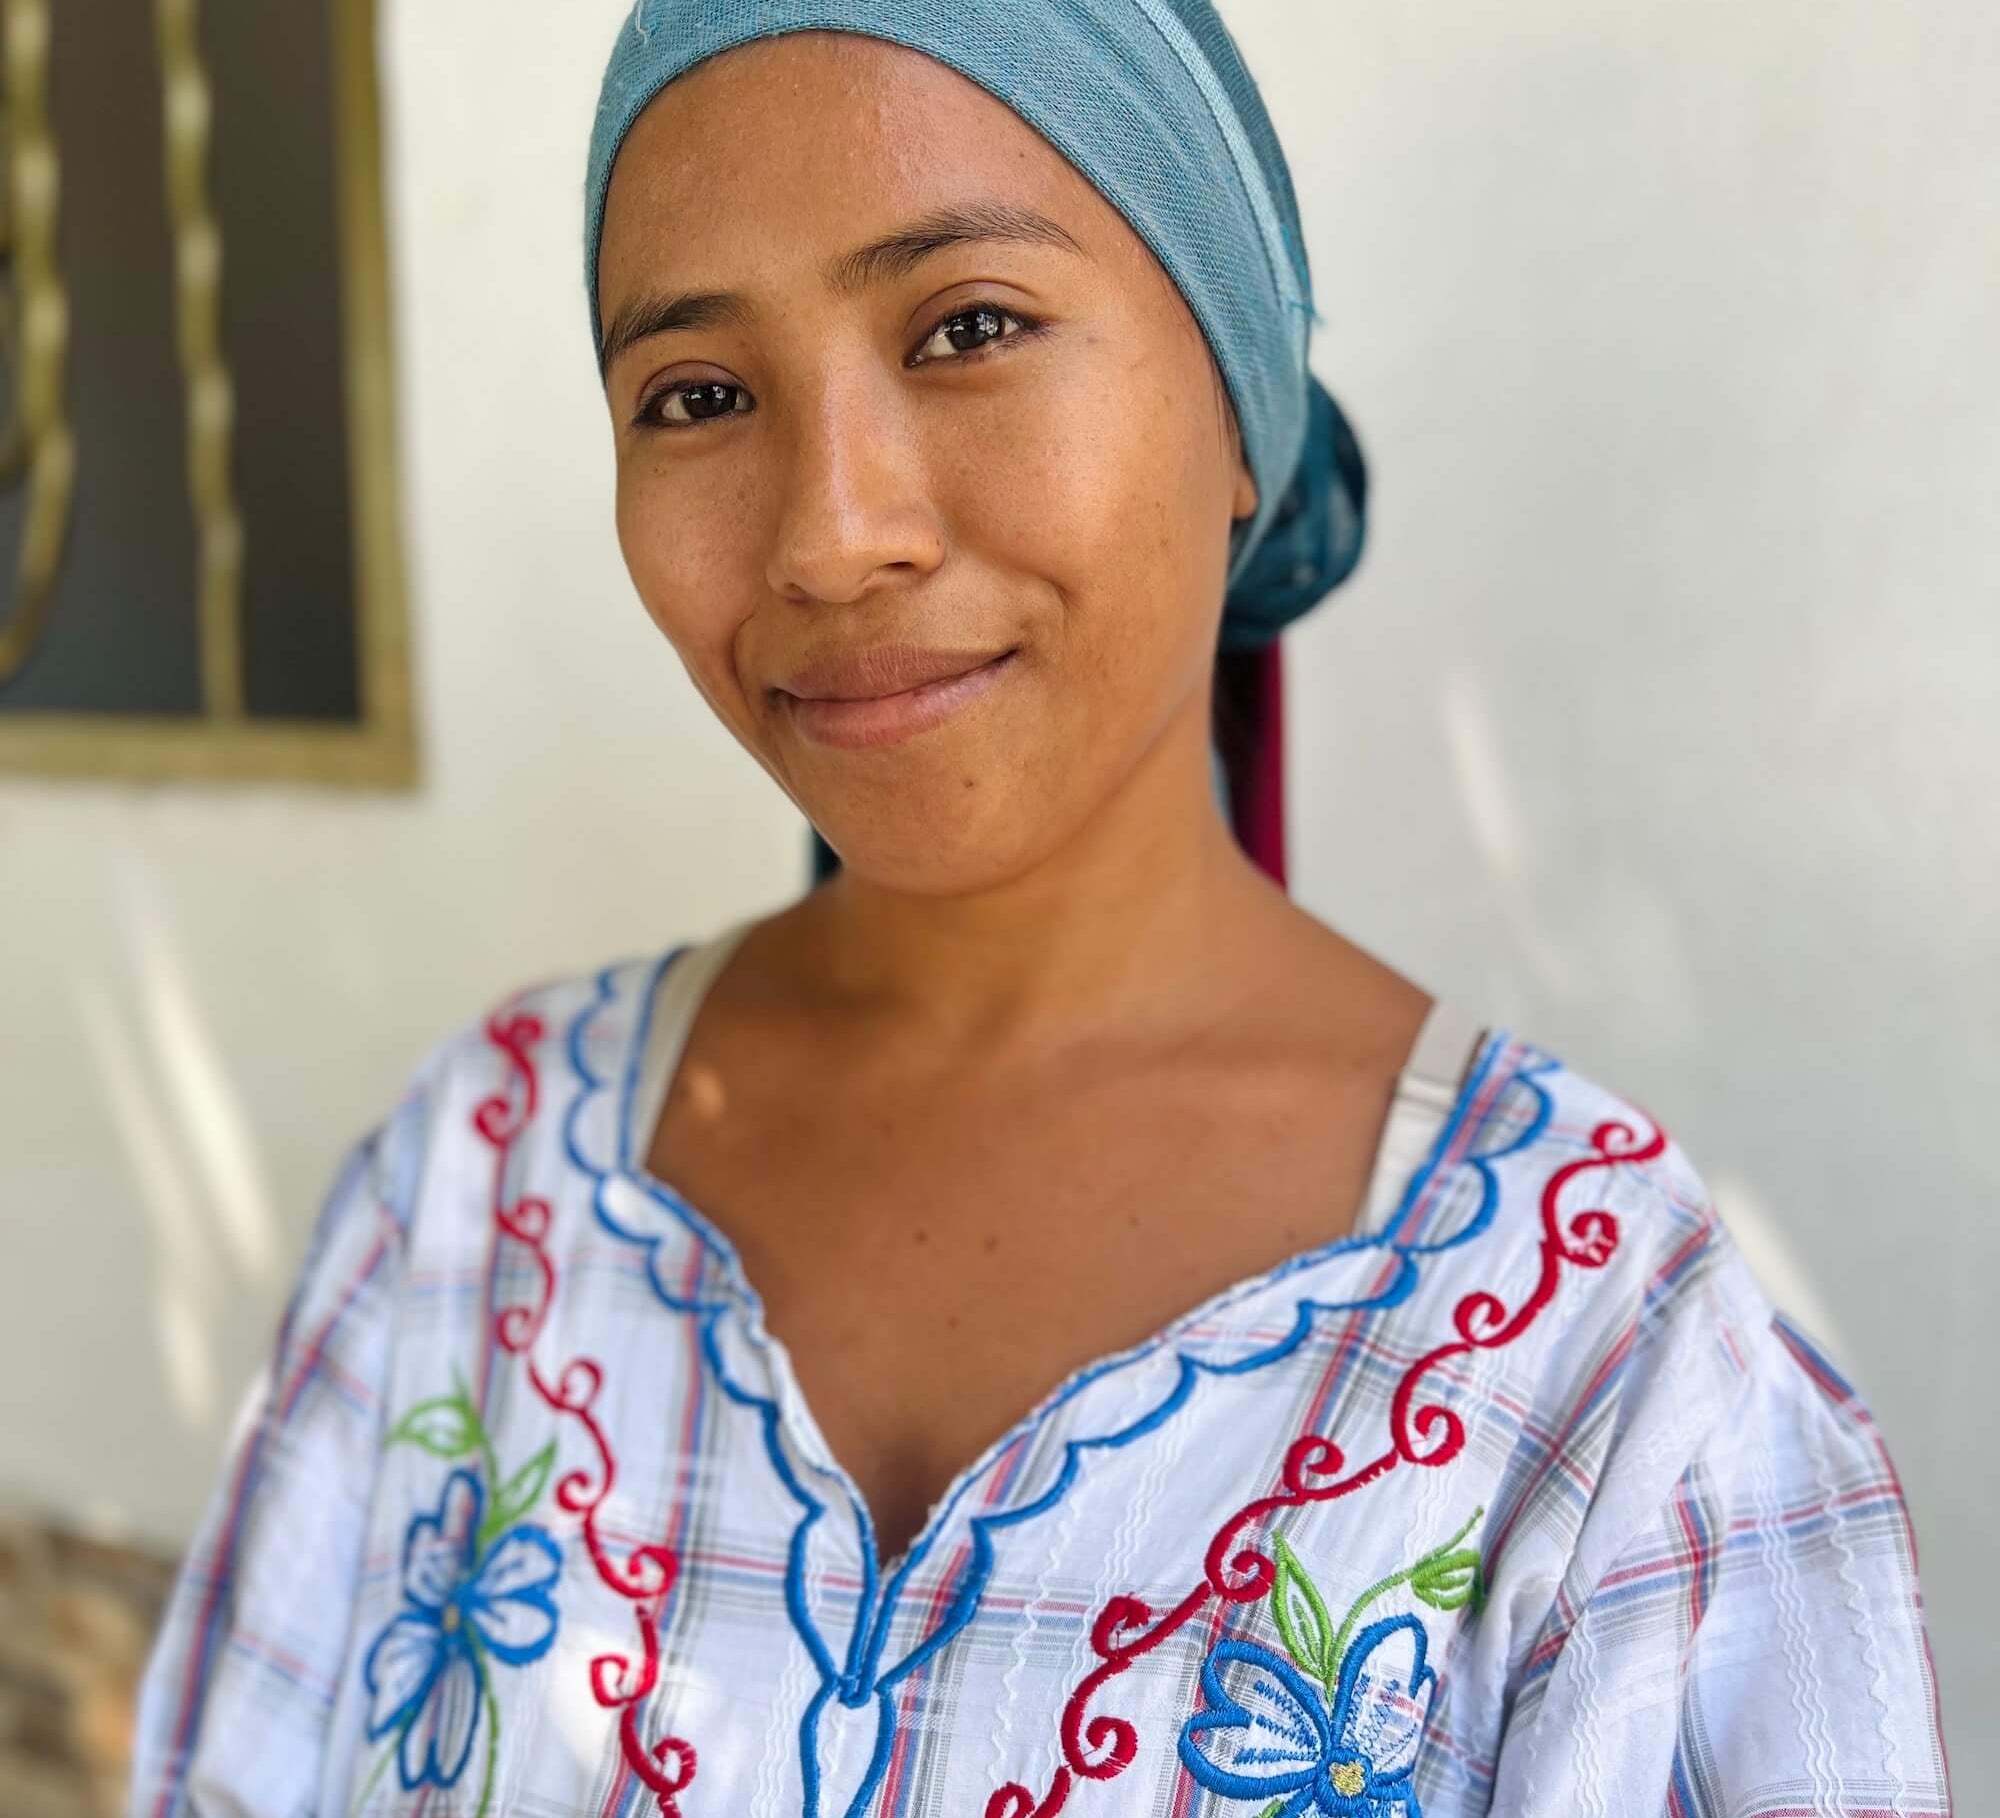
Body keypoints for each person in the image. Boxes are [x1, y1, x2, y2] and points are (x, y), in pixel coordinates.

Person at [130, 4, 1952, 1816]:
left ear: (1239, 417)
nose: (831, 533)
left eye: (971, 327)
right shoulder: (473, 1203)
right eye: (697, 394)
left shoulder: (1609, 1376)